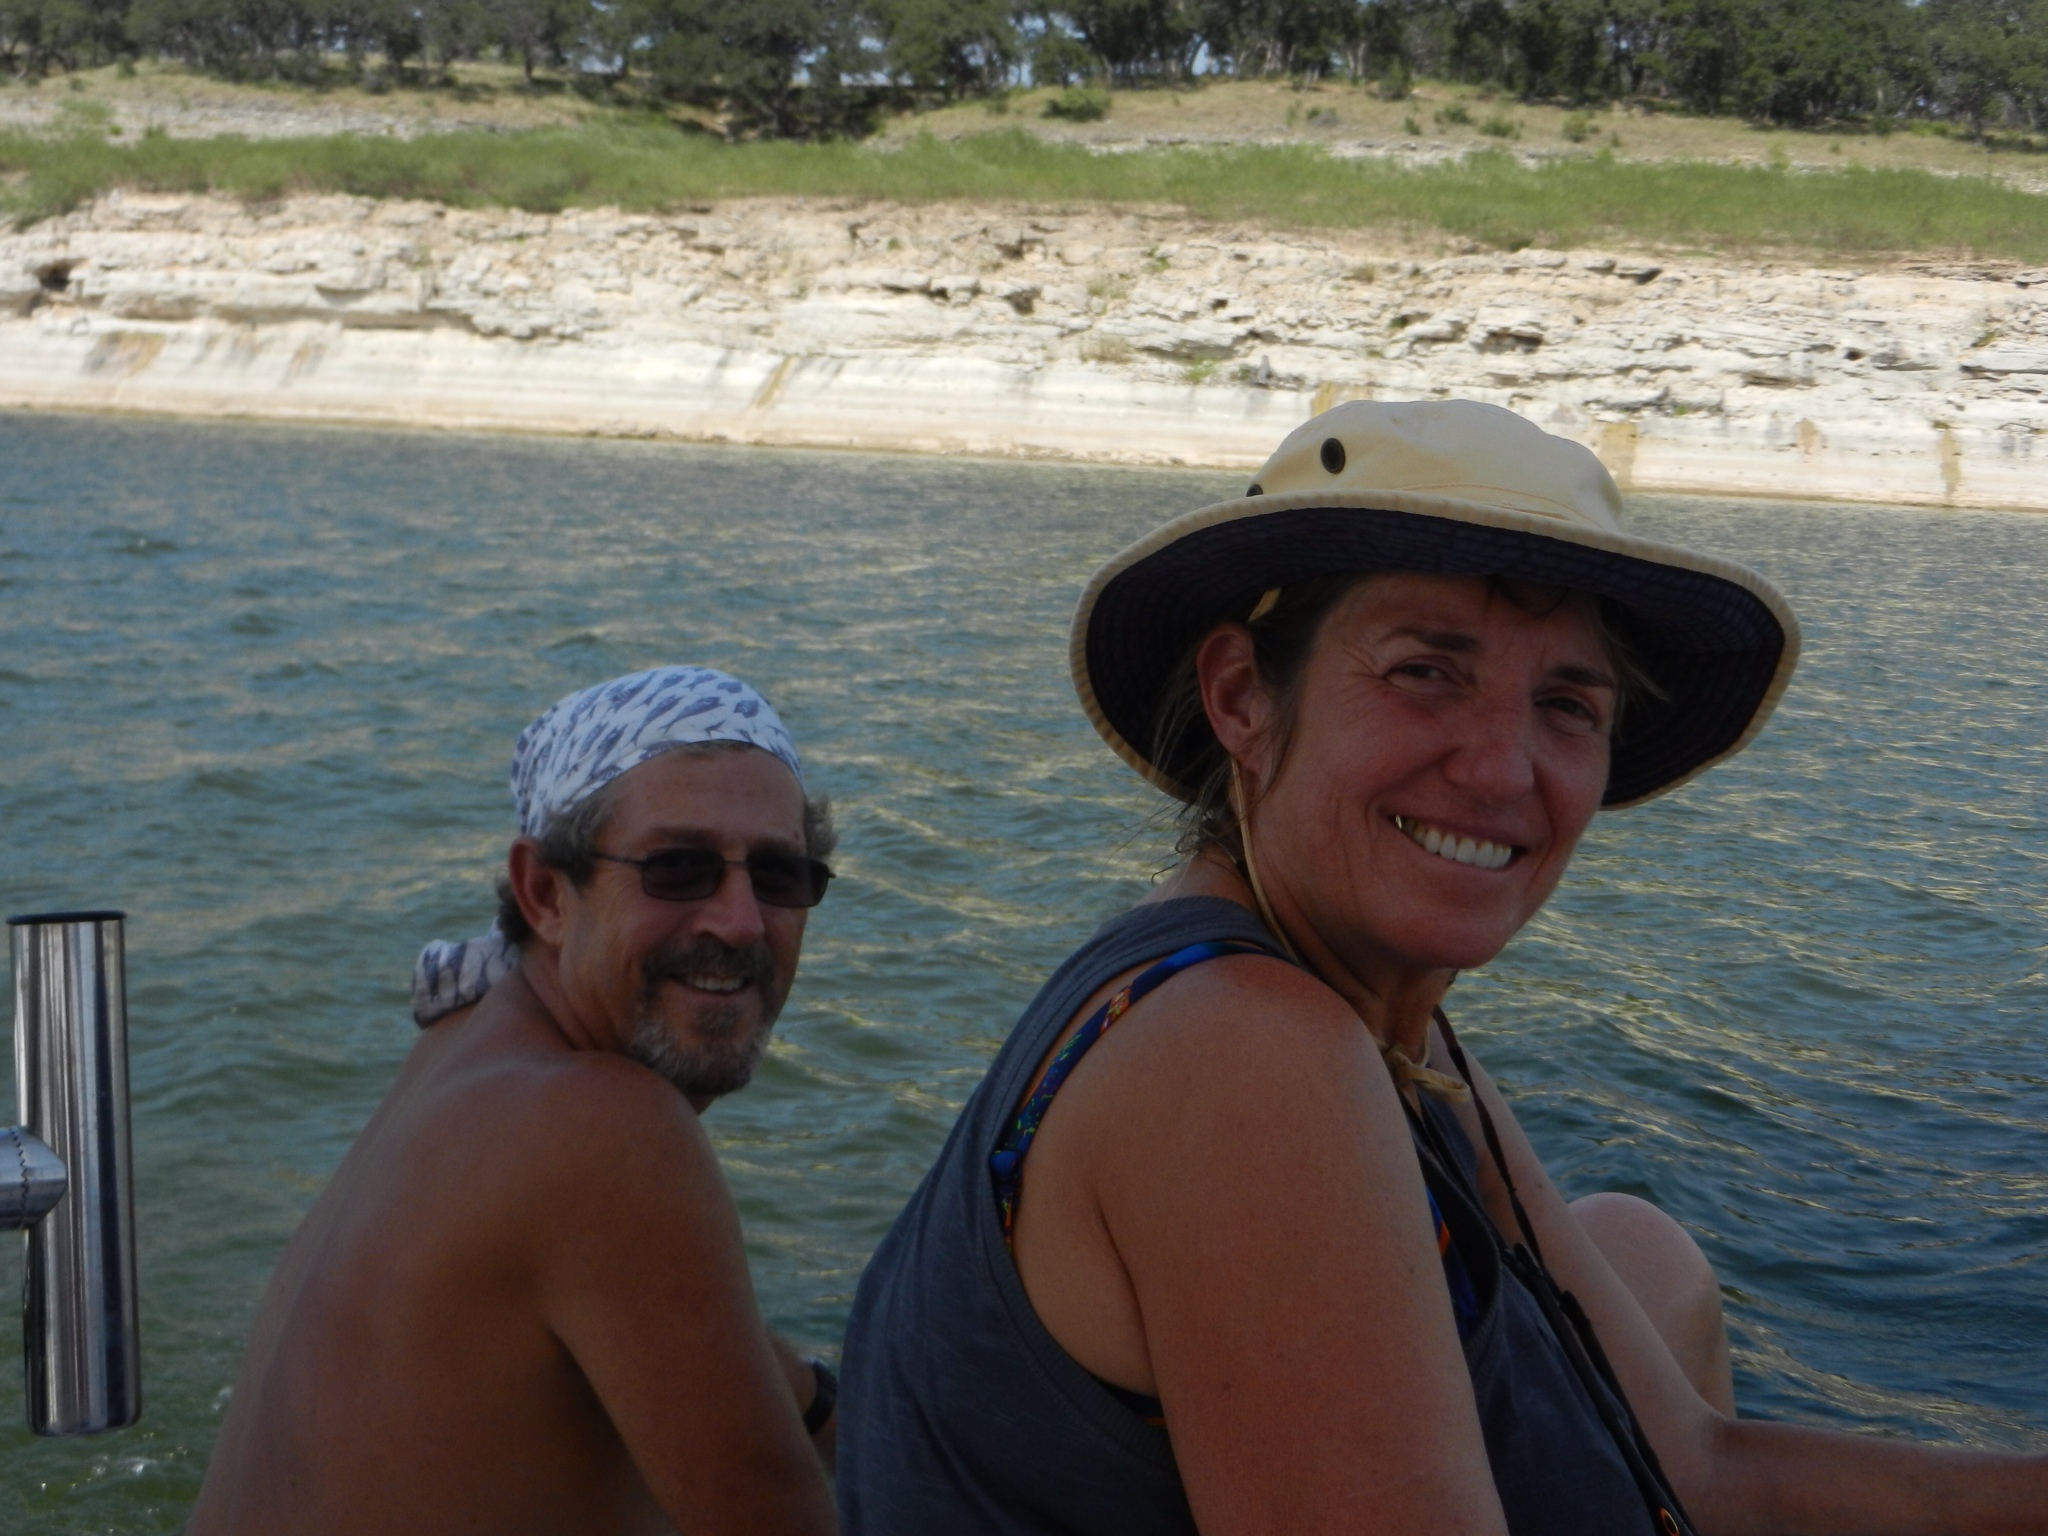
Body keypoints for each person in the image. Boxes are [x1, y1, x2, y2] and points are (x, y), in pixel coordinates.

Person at [837, 402, 2048, 1536]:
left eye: (1566, 704)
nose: (1500, 769)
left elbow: (1689, 1465)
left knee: (1639, 1251)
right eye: (1424, 671)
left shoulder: (1378, 1032)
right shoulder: (1245, 1053)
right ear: (1240, 697)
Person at [192, 666, 841, 1536]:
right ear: (544, 894)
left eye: (778, 874)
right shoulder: (605, 1130)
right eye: (678, 869)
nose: (742, 921)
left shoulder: (464, 1049)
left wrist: (812, 1396)